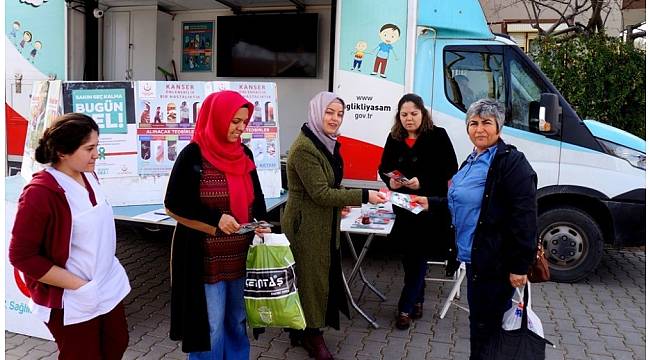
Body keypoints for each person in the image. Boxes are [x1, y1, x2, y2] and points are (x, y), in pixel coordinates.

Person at [416, 98, 538, 359]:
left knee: (487, 328)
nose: (479, 129)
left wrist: (520, 265)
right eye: (473, 123)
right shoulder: (472, 160)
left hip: (495, 261)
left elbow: (525, 216)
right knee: (480, 325)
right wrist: (429, 202)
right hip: (474, 259)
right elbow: (458, 202)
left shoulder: (511, 162)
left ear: (499, 127)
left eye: (486, 123)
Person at [9, 113, 131, 359]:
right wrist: (80, 286)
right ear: (63, 152)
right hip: (71, 297)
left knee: (117, 343)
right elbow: (21, 256)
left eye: (97, 146)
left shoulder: (89, 175)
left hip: (105, 286)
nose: (96, 154)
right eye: (89, 148)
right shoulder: (40, 193)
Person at [164, 90, 271, 359]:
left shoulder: (243, 152)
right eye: (234, 121)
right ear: (217, 117)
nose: (240, 127)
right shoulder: (192, 155)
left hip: (241, 256)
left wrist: (260, 222)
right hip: (205, 259)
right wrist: (216, 220)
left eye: (244, 121)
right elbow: (173, 203)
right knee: (210, 326)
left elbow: (255, 197)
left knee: (237, 321)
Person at [282, 91, 386, 360]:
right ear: (317, 112)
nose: (335, 118)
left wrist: (343, 200)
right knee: (310, 278)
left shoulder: (325, 142)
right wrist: (363, 196)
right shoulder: (305, 147)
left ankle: (301, 329)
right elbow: (321, 194)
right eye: (329, 112)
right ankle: (312, 336)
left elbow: (330, 186)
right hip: (305, 225)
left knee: (316, 275)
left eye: (339, 114)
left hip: (321, 222)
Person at [378, 93, 458, 330]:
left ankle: (405, 308)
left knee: (418, 256)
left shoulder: (438, 135)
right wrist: (391, 181)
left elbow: (450, 167)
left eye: (413, 113)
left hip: (428, 205)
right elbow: (384, 168)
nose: (409, 119)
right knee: (409, 258)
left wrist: (420, 181)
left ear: (423, 114)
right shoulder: (394, 138)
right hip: (403, 207)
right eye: (404, 115)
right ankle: (418, 300)